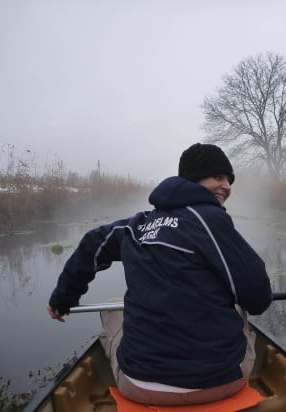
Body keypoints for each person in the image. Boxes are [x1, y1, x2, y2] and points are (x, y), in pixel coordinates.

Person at [47, 143, 273, 406]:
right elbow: (258, 299)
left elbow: (92, 244)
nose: (227, 186)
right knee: (236, 305)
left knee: (112, 307)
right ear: (194, 179)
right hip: (222, 382)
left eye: (229, 179)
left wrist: (62, 299)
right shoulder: (210, 220)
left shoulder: (136, 226)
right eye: (219, 177)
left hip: (137, 386)